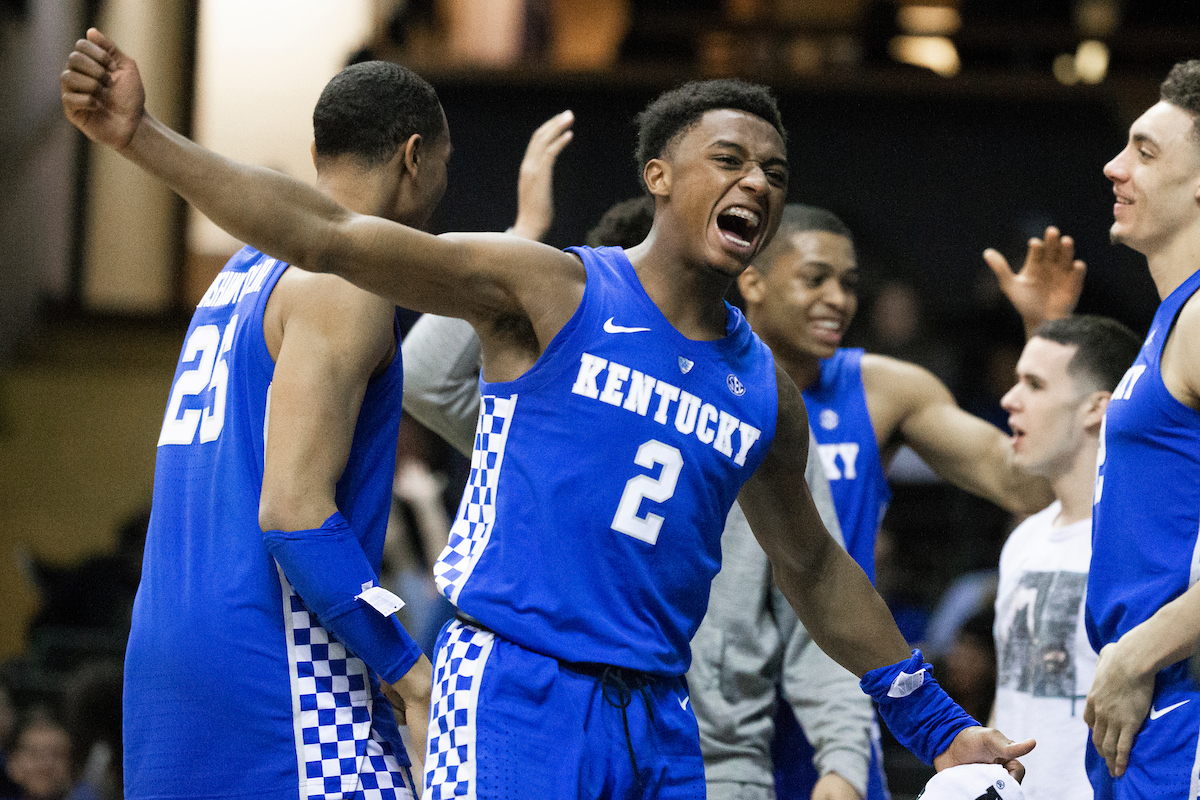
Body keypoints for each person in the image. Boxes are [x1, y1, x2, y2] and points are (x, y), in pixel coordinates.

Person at [62, 29, 1033, 798]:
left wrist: (939, 724)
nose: (756, 183)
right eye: (729, 158)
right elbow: (329, 232)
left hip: (659, 712)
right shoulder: (553, 290)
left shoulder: (757, 386)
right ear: (658, 175)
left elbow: (818, 566)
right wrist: (142, 139)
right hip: (518, 688)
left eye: (774, 172)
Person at [402, 163, 876, 797]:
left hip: (714, 759)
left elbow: (819, 587)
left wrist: (844, 762)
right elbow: (425, 379)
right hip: (556, 723)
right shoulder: (555, 416)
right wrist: (521, 239)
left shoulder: (758, 414)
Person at [61, 53, 453, 800]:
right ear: (415, 159)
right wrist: (408, 664)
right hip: (279, 673)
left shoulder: (238, 274)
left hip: (166, 674)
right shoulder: (350, 281)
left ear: (317, 156)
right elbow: (296, 516)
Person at [735, 205, 1080, 797]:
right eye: (815, 278)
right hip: (718, 690)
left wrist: (1045, 339)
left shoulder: (885, 389)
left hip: (841, 683)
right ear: (753, 282)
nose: (838, 299)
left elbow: (1024, 483)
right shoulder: (694, 378)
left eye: (848, 283)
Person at [1065, 59, 1200, 797]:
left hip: (1178, 689)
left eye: (1146, 152)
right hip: (1152, 700)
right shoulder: (1173, 318)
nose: (1116, 167)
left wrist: (1136, 653)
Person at [991, 315, 1140, 800]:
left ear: (1096, 408)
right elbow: (1010, 696)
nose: (1009, 399)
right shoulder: (1023, 539)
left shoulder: (1142, 543)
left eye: (1033, 384)